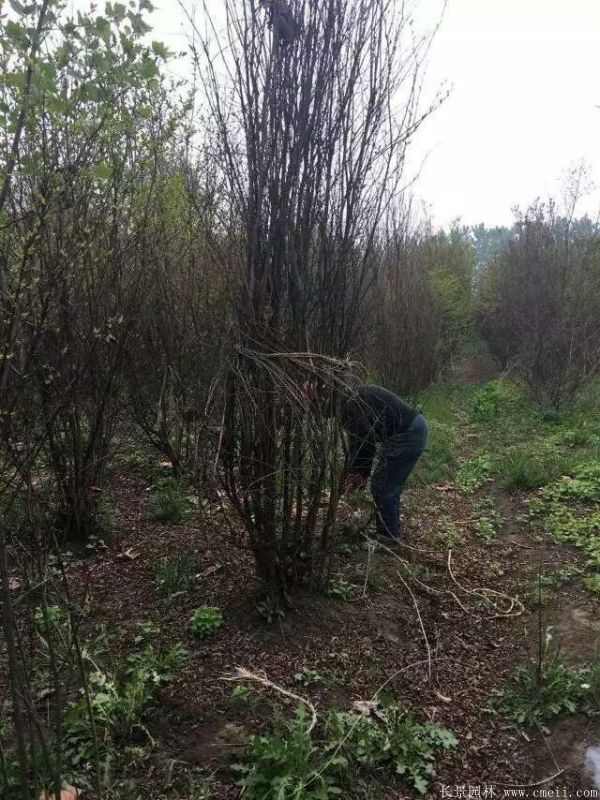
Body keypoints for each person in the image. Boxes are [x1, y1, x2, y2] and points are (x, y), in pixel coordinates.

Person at [340, 384, 428, 544]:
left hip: (408, 433)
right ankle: (387, 531)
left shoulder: (354, 404)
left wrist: (360, 472)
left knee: (384, 486)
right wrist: (359, 471)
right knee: (384, 484)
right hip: (409, 430)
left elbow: (365, 440)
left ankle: (389, 538)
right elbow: (359, 440)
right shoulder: (354, 398)